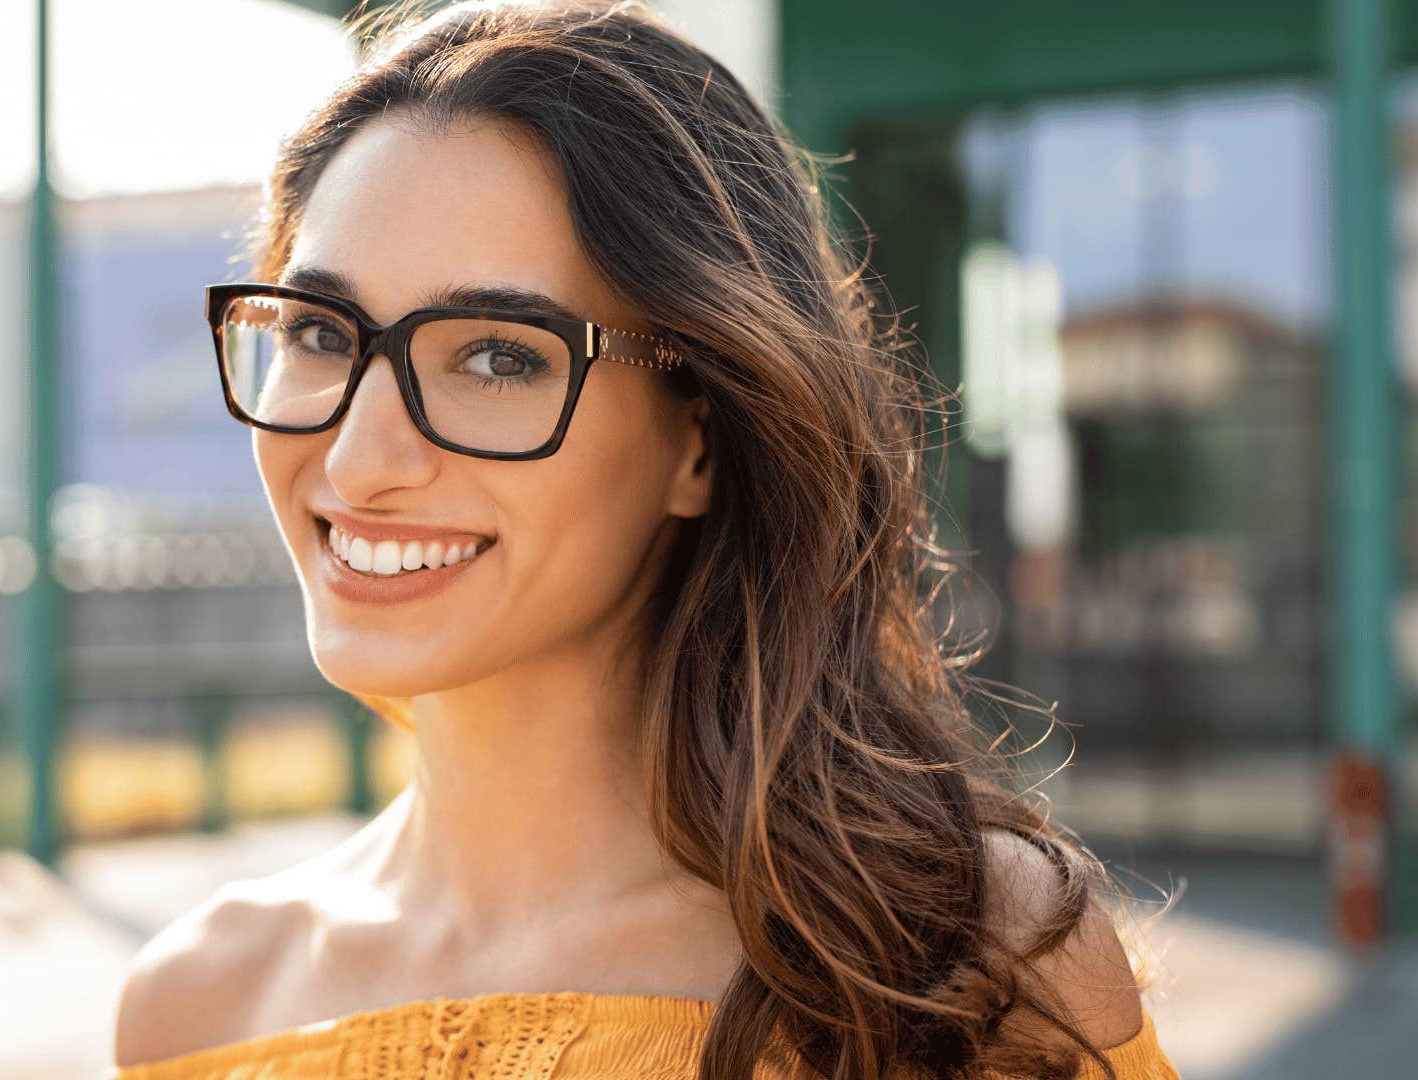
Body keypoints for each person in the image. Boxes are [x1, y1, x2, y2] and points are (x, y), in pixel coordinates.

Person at [112, 1, 1180, 1077]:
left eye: (495, 357)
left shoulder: (968, 965)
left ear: (699, 442)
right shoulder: (197, 1009)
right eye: (316, 332)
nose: (356, 460)